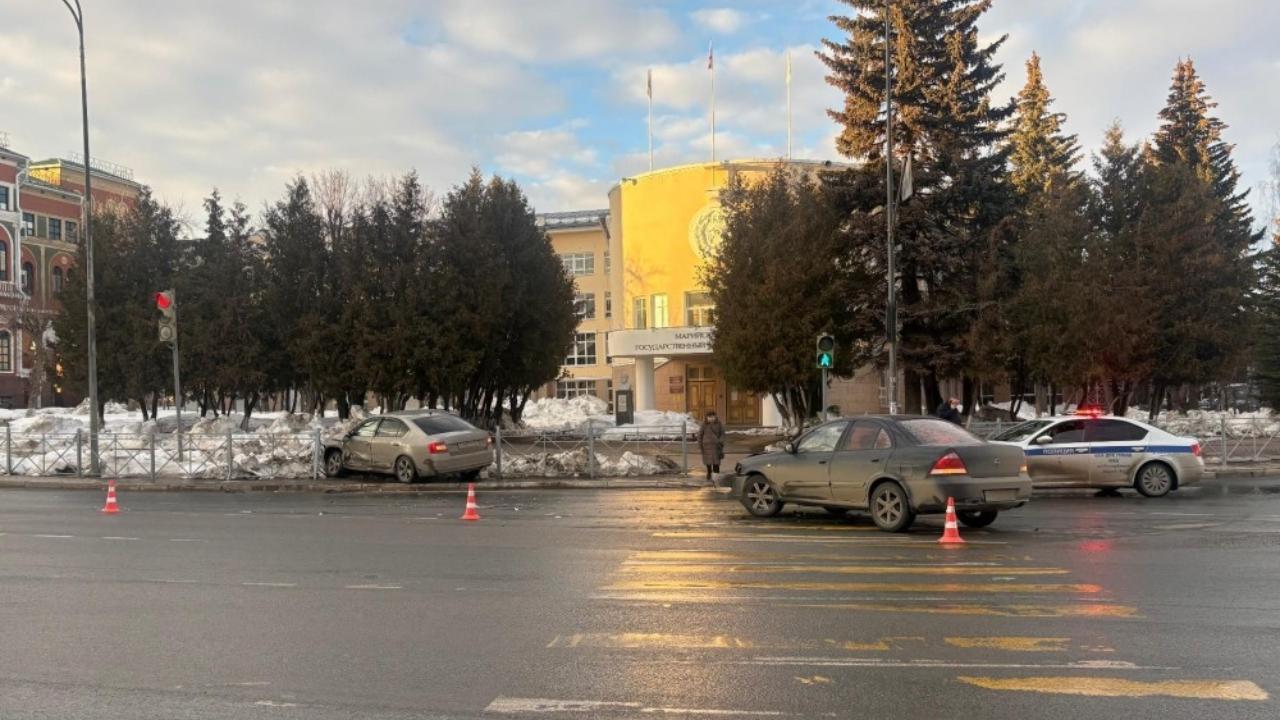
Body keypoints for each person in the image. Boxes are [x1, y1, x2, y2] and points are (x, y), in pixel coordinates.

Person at [697, 410, 725, 483]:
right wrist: (700, 445)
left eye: (713, 416)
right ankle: (709, 472)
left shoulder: (719, 424)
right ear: (706, 417)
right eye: (709, 417)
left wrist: (721, 441)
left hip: (716, 446)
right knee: (708, 462)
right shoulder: (704, 424)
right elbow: (700, 435)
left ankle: (715, 478)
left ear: (715, 416)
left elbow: (722, 433)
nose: (711, 418)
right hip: (706, 447)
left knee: (716, 463)